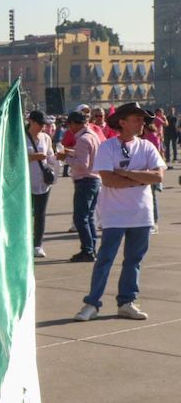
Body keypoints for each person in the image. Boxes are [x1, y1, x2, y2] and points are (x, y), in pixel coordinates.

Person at [73, 103, 165, 322]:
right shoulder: (108, 147)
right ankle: (92, 303)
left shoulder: (147, 147)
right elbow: (108, 180)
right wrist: (141, 176)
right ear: (122, 122)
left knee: (134, 260)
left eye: (142, 120)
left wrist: (126, 173)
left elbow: (158, 177)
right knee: (105, 259)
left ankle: (126, 302)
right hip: (114, 214)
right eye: (137, 119)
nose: (142, 123)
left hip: (141, 213)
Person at [57, 111, 102, 263]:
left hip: (85, 180)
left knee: (80, 218)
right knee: (89, 217)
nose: (69, 128)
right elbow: (86, 155)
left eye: (69, 125)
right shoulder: (92, 135)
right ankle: (91, 248)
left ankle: (87, 250)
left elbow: (82, 165)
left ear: (75, 123)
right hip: (95, 180)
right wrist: (71, 152)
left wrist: (66, 157)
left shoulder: (82, 139)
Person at [25, 111, 57, 258]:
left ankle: (37, 244)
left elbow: (50, 156)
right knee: (25, 214)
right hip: (25, 182)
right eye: (39, 123)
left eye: (44, 124)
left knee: (40, 214)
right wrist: (31, 157)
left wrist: (58, 159)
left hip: (42, 182)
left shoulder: (46, 138)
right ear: (31, 121)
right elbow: (13, 158)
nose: (42, 127)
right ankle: (23, 243)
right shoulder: (21, 137)